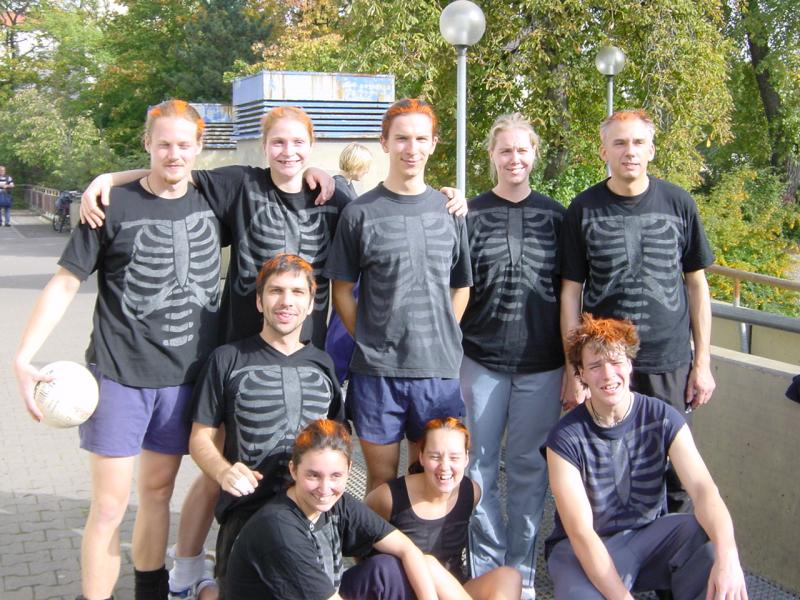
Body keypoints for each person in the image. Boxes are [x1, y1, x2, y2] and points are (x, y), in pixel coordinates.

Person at [81, 104, 467, 597]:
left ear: (312, 148)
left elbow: (384, 235)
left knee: (302, 460)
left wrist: (451, 197)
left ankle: (338, 557)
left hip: (309, 351)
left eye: (298, 142)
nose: (288, 151)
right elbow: (173, 171)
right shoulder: (241, 183)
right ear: (264, 147)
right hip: (242, 349)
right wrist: (108, 178)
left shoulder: (336, 196)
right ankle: (187, 566)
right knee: (222, 461)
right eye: (278, 142)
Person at [13, 100, 223, 600]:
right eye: (163, 144)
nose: (174, 154)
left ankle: (150, 591)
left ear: (200, 147)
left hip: (185, 378)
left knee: (157, 493)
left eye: (184, 145)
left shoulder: (216, 196)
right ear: (147, 143)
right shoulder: (110, 205)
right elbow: (65, 282)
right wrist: (22, 355)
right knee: (108, 506)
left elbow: (283, 175)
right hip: (118, 375)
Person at [559, 108, 716, 512]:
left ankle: (675, 548)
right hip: (605, 365)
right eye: (619, 143)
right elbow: (571, 293)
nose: (629, 151)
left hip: (669, 362)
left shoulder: (679, 203)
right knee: (609, 468)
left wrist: (702, 363)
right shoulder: (583, 208)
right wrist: (575, 371)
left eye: (638, 142)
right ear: (604, 152)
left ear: (651, 150)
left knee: (677, 472)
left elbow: (697, 285)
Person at [325, 97, 473, 493]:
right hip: (377, 373)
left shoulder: (450, 211)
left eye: (421, 139)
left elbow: (462, 285)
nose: (412, 148)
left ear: (434, 144)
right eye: (402, 138)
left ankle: (428, 540)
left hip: (437, 372)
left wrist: (443, 333)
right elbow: (342, 290)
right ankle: (379, 540)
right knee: (381, 481)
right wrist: (368, 338)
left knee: (431, 480)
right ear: (385, 142)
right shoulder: (360, 213)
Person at [545, 313, 748, 599]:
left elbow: (704, 491)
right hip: (583, 549)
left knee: (710, 543)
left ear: (630, 364)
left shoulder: (663, 417)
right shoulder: (564, 437)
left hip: (648, 537)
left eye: (616, 362)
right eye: (595, 366)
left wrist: (729, 559)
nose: (608, 374)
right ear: (581, 374)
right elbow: (580, 531)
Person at [189, 253, 344, 598]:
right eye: (276, 291)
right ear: (259, 301)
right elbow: (200, 439)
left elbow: (339, 441)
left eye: (297, 292)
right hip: (247, 516)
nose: (286, 301)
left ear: (311, 304)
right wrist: (223, 471)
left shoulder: (323, 364)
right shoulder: (226, 359)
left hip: (312, 516)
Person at [459, 113, 565, 598]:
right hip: (480, 359)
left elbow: (572, 290)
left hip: (543, 364)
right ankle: (487, 571)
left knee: (529, 469)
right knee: (476, 465)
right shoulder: (469, 214)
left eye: (523, 150)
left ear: (534, 154)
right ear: (491, 156)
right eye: (505, 150)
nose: (514, 158)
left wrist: (574, 367)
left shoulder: (559, 217)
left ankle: (520, 576)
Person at [225, 419, 440, 600]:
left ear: (349, 470)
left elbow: (407, 548)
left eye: (336, 476)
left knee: (388, 570)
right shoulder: (280, 528)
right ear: (294, 470)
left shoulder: (339, 503)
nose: (325, 489)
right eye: (313, 475)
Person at [340, 417, 522, 600]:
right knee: (427, 562)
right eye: (435, 456)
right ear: (421, 456)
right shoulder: (389, 497)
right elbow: (358, 539)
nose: (445, 467)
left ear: (466, 458)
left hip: (453, 590)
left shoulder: (471, 492)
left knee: (509, 577)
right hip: (405, 590)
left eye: (454, 457)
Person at [326, 142, 373, 384]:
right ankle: (337, 373)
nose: (367, 170)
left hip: (346, 266)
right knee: (342, 322)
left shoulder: (344, 188)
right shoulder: (341, 191)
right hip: (345, 267)